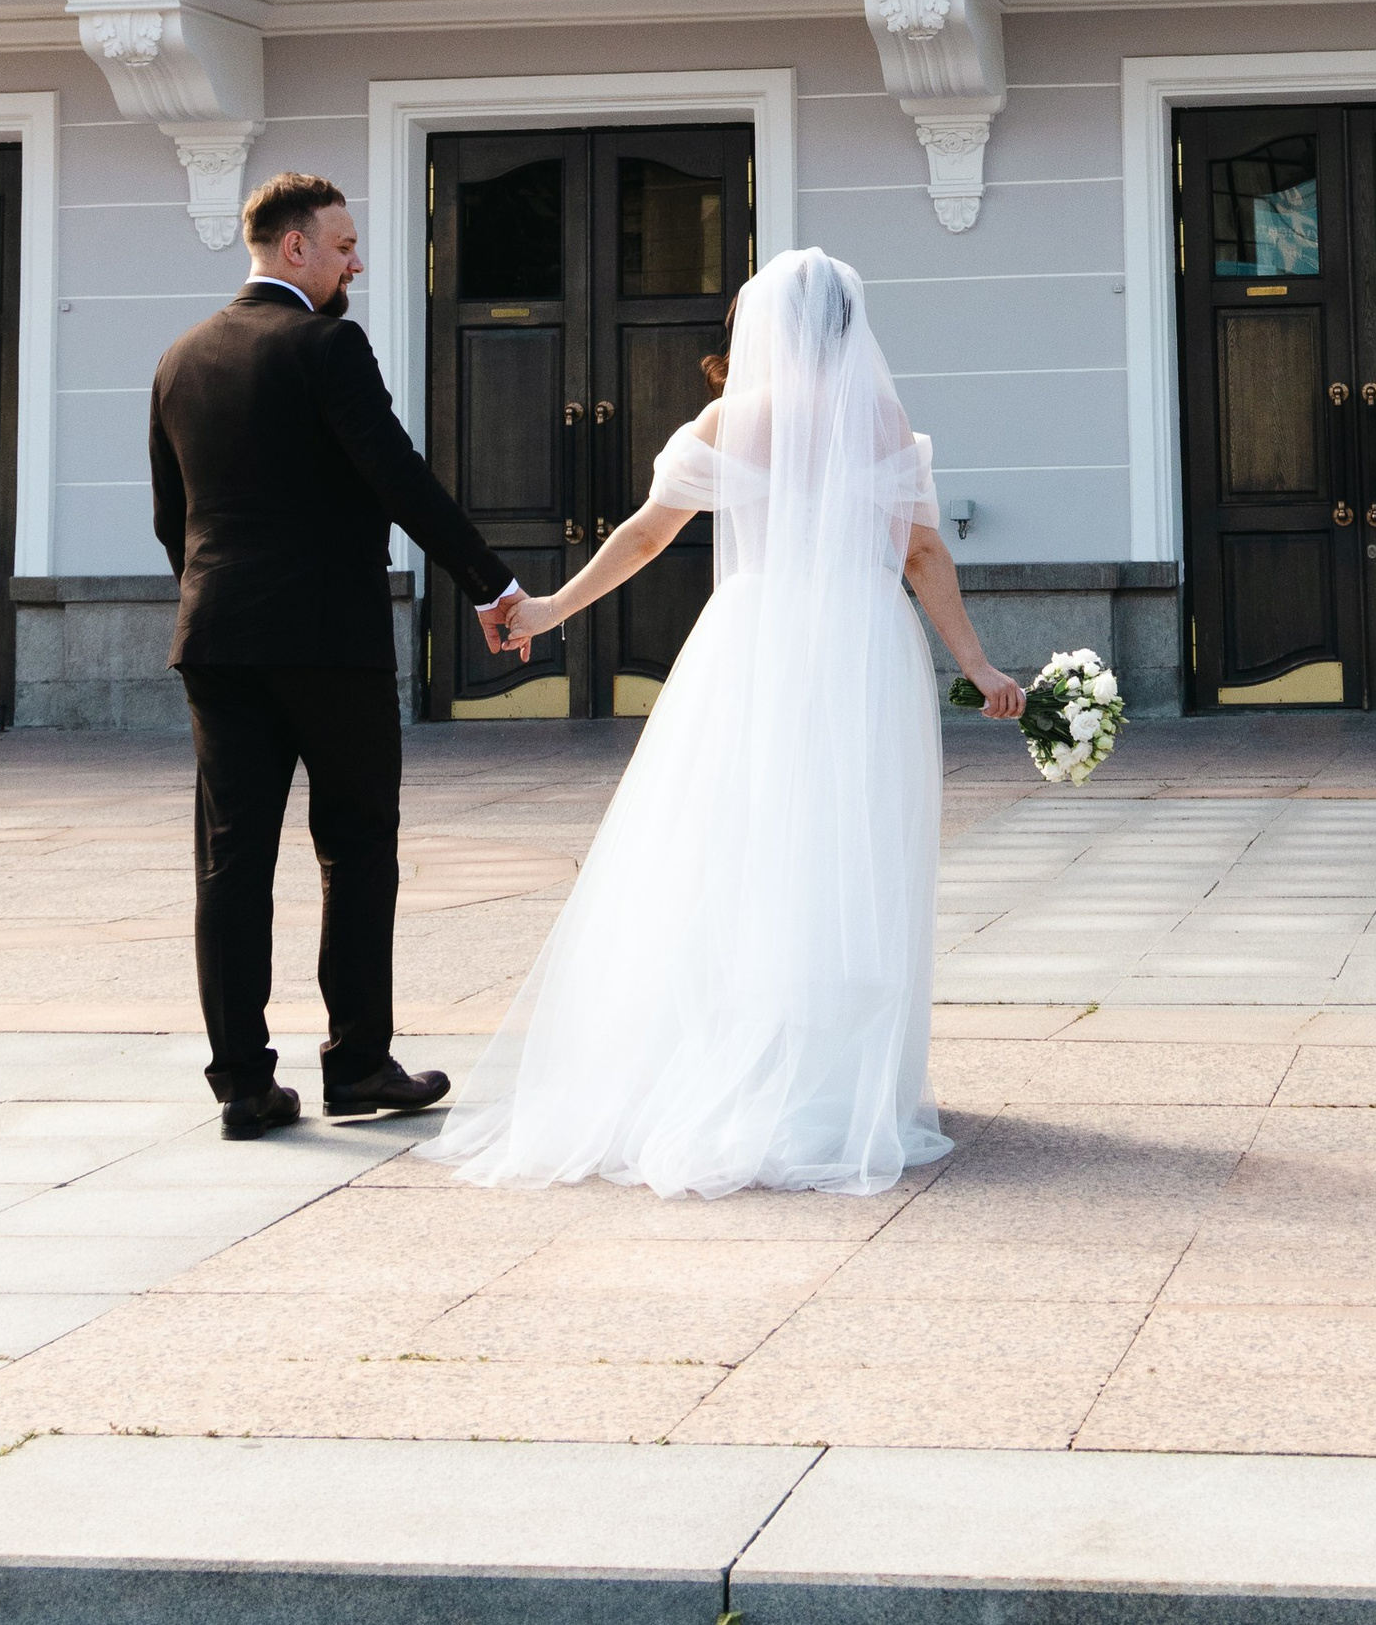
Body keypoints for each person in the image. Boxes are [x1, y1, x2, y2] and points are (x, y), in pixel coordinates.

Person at [426, 245, 1024, 1200]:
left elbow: (647, 533)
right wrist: (978, 664)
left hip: (752, 641)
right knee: (845, 853)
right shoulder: (883, 418)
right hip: (862, 648)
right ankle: (834, 1084)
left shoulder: (730, 420)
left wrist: (546, 608)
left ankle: (723, 1058)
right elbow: (920, 554)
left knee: (730, 847)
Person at [148, 169, 530, 1141]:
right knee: (355, 847)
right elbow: (396, 473)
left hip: (216, 634)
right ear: (294, 249)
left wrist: (215, 597)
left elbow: (172, 518)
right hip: (328, 637)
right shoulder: (326, 342)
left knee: (230, 861)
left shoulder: (180, 358)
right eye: (345, 243)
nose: (356, 260)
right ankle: (357, 1064)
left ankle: (242, 1084)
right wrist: (490, 582)